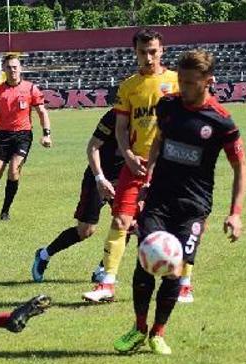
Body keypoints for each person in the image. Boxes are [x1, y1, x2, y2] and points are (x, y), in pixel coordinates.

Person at [113, 49, 246, 355]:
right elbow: (160, 140)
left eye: (189, 83)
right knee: (146, 260)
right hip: (159, 199)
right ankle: (138, 327)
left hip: (194, 207)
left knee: (175, 267)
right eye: (181, 81)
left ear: (207, 81)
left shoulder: (221, 121)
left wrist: (235, 214)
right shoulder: (168, 106)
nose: (182, 88)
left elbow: (241, 167)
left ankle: (158, 333)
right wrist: (148, 178)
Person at [82, 29, 179, 303]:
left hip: (169, 166)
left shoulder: (176, 82)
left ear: (162, 50)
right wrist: (127, 155)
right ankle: (107, 285)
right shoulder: (128, 87)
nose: (148, 57)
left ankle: (181, 282)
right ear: (135, 52)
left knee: (170, 225)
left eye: (153, 51)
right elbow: (121, 129)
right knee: (119, 220)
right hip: (135, 165)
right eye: (142, 52)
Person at [31, 109, 124, 282]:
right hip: (99, 176)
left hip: (125, 178)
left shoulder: (150, 118)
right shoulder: (114, 116)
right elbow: (92, 147)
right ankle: (44, 254)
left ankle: (102, 270)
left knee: (127, 225)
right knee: (85, 231)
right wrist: (100, 178)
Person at [0, 54, 52, 221]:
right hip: (3, 135)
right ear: (4, 70)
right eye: (9, 67)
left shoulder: (31, 89)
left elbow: (42, 112)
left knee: (13, 170)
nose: (12, 70)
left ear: (20, 68)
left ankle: (5, 210)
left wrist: (46, 134)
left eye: (15, 67)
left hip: (23, 136)